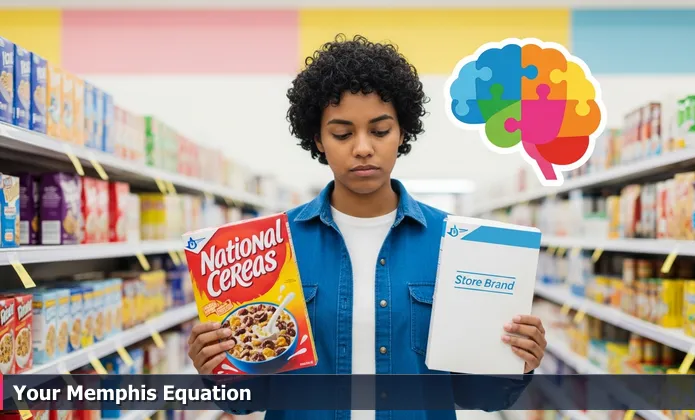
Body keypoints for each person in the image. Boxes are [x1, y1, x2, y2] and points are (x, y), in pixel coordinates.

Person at [186, 34, 548, 419]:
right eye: (342, 133)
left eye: (379, 131)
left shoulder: (456, 244)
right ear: (318, 139)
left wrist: (517, 362)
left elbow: (482, 397)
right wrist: (215, 368)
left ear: (402, 132)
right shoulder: (272, 247)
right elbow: (251, 399)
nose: (362, 148)